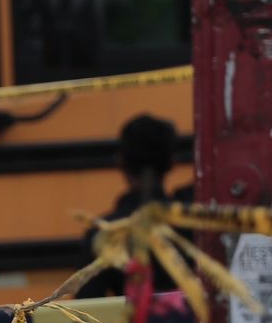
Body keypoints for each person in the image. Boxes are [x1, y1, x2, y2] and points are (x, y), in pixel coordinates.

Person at [77, 113, 193, 298]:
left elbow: (86, 307)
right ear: (172, 163)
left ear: (120, 162)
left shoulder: (104, 233)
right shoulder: (193, 222)